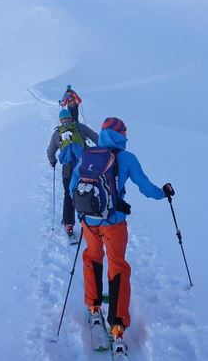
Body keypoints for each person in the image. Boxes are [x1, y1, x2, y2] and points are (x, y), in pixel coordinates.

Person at [69, 117, 174, 356]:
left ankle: (94, 309)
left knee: (92, 257)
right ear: (122, 136)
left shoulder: (87, 155)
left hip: (90, 220)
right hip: (115, 224)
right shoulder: (126, 158)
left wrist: (82, 214)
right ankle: (117, 327)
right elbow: (146, 188)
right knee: (118, 268)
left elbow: (72, 187)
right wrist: (163, 193)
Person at [47, 108, 99, 239]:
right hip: (84, 167)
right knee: (86, 191)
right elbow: (96, 137)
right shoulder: (79, 127)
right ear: (71, 118)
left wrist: (53, 161)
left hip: (68, 170)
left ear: (60, 120)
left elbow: (50, 152)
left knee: (68, 195)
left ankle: (69, 224)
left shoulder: (57, 133)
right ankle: (88, 222)